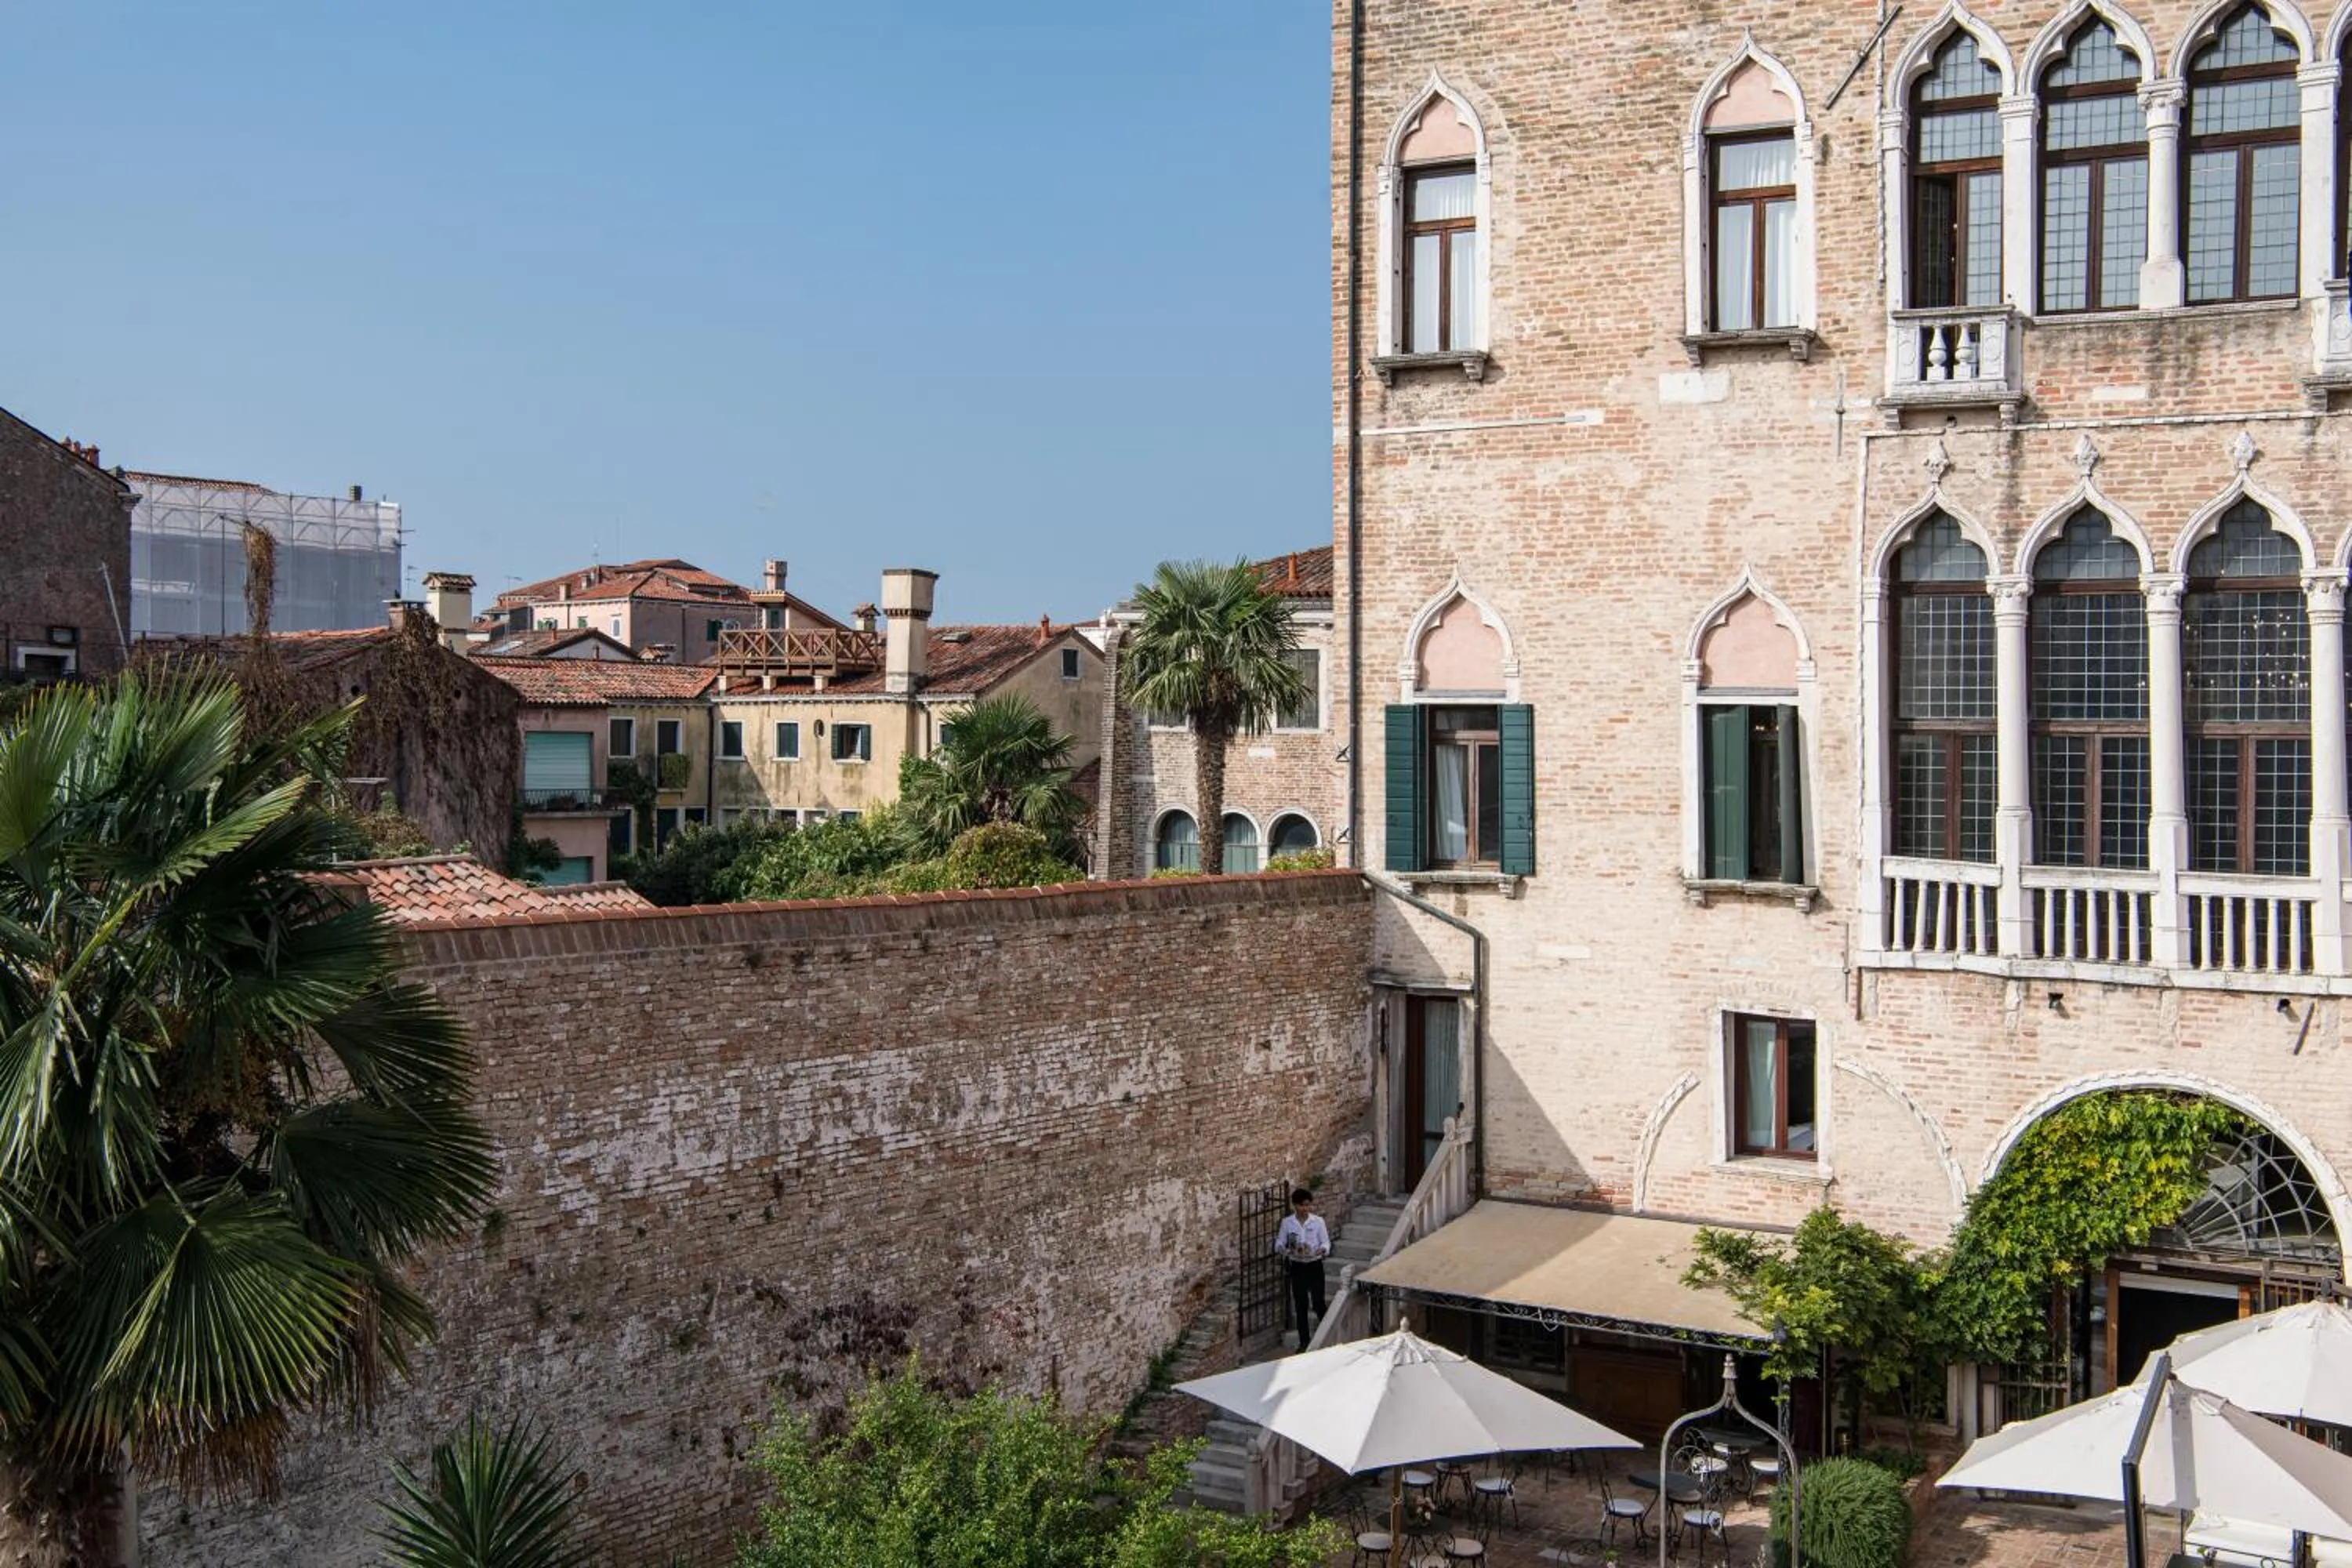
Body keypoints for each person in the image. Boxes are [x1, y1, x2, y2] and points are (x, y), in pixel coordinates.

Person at [1272, 1186, 1330, 1352]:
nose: (1307, 1209)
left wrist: (1323, 1250)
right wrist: (1285, 1250)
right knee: (1300, 1305)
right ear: (1296, 1206)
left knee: (1318, 1303)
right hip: (1297, 1266)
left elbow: (1326, 1242)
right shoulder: (1287, 1223)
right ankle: (1304, 1342)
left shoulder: (1318, 1222)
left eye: (1309, 1205)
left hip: (1314, 1265)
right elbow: (1279, 1243)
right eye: (1303, 1205)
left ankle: (1326, 1334)